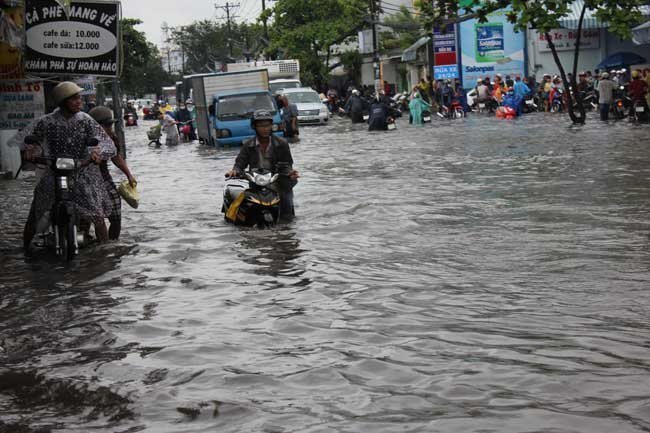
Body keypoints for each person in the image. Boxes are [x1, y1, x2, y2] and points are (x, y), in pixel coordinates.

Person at [20, 82, 116, 252]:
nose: (80, 102)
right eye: (75, 99)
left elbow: (106, 143)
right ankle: (25, 250)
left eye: (80, 98)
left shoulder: (86, 120)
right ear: (63, 101)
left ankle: (105, 253)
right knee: (36, 210)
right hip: (54, 172)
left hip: (82, 171)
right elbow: (29, 140)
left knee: (98, 216)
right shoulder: (46, 122)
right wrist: (31, 150)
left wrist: (97, 152)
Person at [225, 110, 300, 219]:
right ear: (254, 127)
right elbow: (239, 164)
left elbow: (287, 165)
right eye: (260, 125)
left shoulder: (281, 143)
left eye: (267, 125)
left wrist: (290, 173)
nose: (264, 128)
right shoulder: (248, 145)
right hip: (256, 184)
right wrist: (234, 171)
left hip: (278, 183)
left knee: (287, 211)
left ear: (271, 126)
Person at [88, 106, 137, 240]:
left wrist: (129, 175)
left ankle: (111, 245)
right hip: (85, 180)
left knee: (116, 214)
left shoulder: (111, 138)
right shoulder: (84, 138)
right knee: (93, 217)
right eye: (107, 125)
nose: (110, 129)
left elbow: (116, 157)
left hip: (104, 178)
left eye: (111, 125)